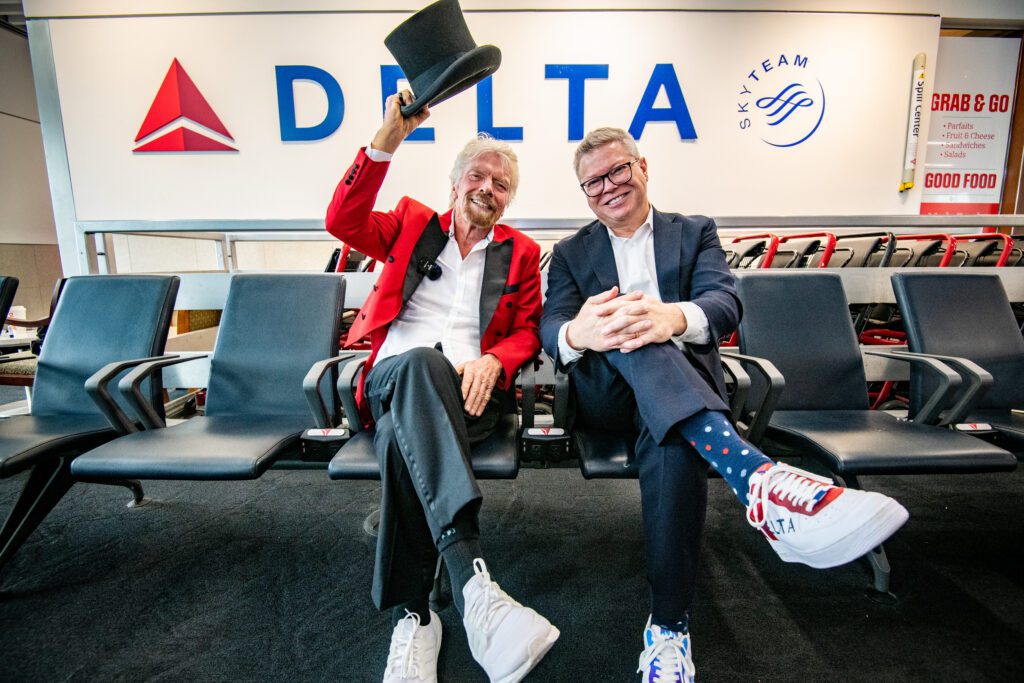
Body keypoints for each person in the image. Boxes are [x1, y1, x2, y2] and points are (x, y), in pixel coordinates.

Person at [540, 127, 908, 682]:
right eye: (593, 182)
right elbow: (551, 325)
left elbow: (724, 302)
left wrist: (673, 317)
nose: (608, 187)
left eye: (618, 170)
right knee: (628, 327)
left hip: (680, 401)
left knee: (673, 437)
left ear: (643, 167)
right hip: (609, 396)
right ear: (584, 194)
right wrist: (580, 333)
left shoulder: (694, 232)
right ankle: (756, 477)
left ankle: (667, 627)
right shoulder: (572, 252)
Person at [326, 90, 558, 683]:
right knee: (419, 364)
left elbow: (529, 329)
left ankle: (417, 618)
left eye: (501, 183)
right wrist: (388, 138)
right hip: (389, 383)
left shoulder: (523, 253)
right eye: (477, 175)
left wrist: (494, 361)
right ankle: (473, 584)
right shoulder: (408, 224)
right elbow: (342, 221)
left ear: (509, 198)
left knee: (419, 418)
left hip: (470, 397)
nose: (488, 187)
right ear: (454, 183)